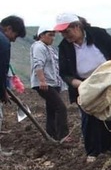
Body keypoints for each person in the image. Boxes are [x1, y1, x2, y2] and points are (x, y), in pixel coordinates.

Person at [55, 13, 111, 163]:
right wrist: (81, 85)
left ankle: (108, 150)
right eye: (62, 33)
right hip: (83, 85)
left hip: (106, 80)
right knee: (89, 118)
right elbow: (65, 73)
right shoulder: (64, 47)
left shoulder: (98, 34)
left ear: (77, 26)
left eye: (67, 31)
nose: (65, 36)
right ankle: (92, 153)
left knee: (107, 115)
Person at [30, 24, 70, 141]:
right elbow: (38, 63)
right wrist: (42, 80)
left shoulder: (49, 48)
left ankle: (51, 135)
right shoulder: (39, 47)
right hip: (45, 83)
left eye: (53, 35)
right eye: (49, 35)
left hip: (53, 83)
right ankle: (63, 135)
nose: (52, 38)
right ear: (41, 35)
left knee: (52, 109)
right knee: (60, 108)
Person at [0, 15, 26, 155]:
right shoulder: (3, 41)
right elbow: (1, 69)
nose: (13, 39)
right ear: (8, 28)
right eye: (15, 35)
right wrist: (3, 90)